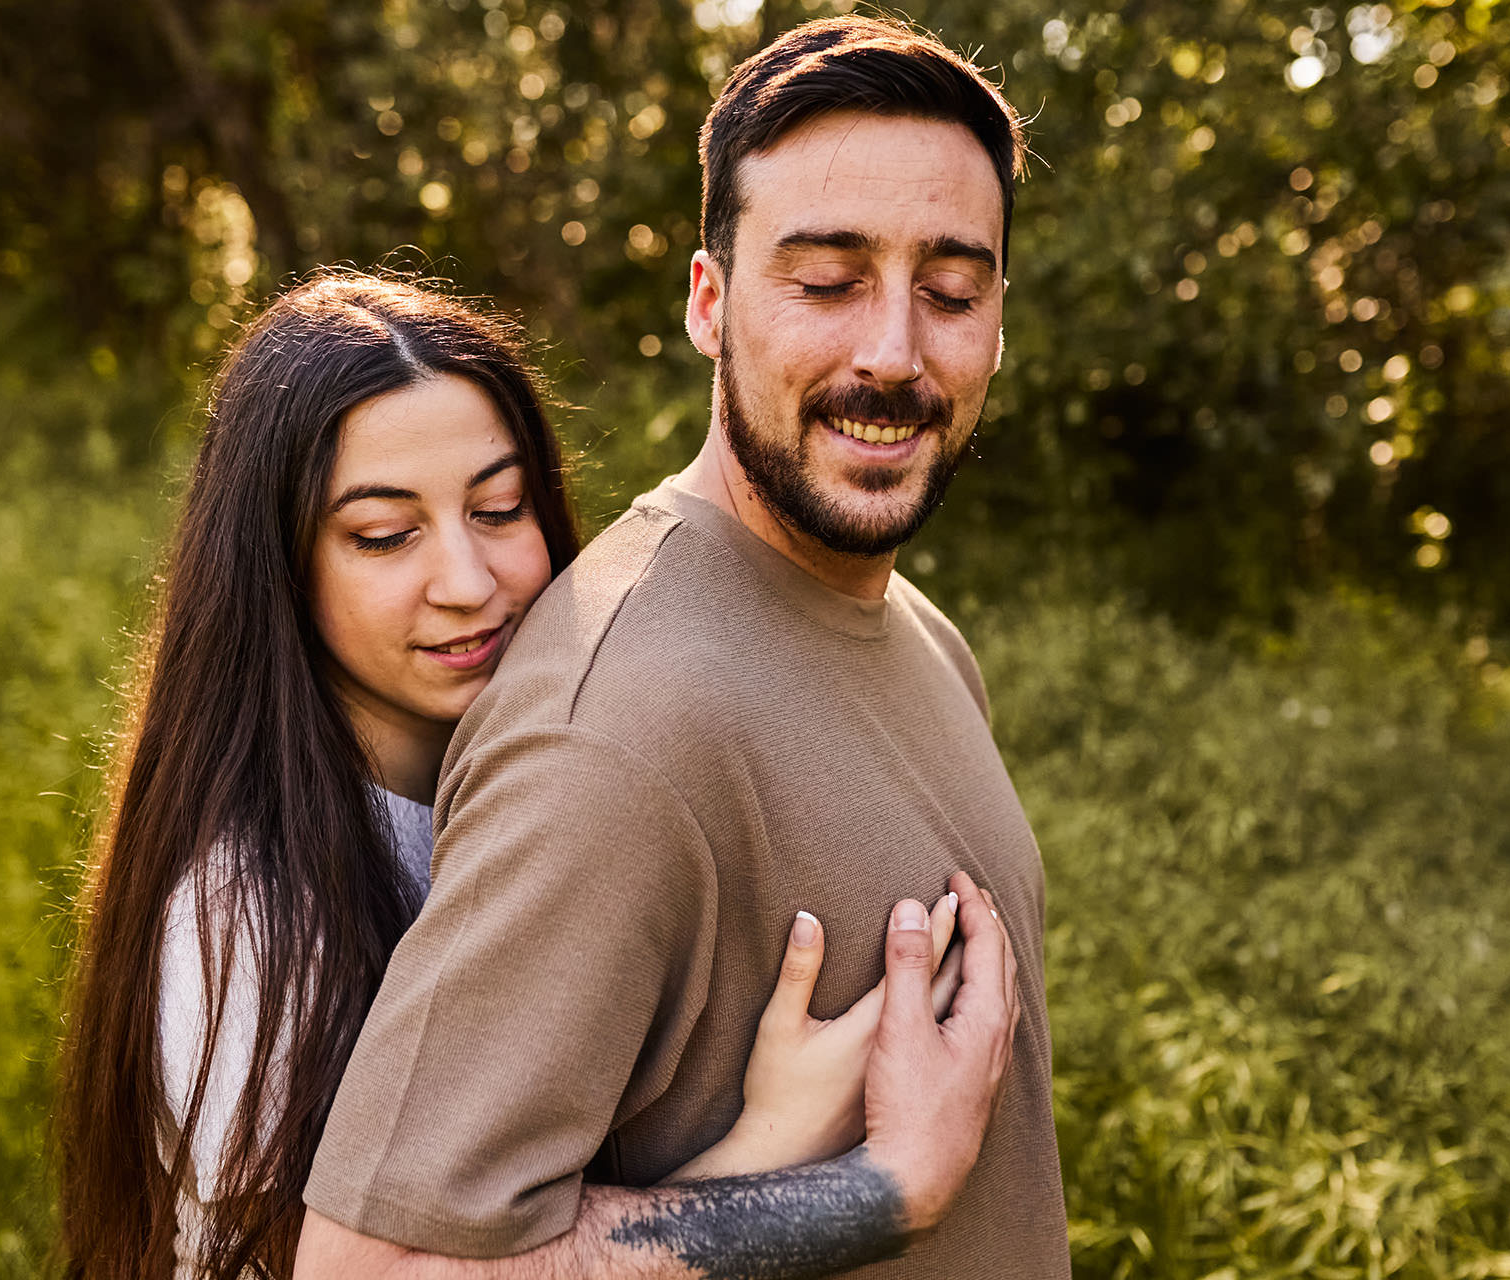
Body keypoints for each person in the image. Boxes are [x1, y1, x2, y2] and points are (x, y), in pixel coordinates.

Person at [295, 14, 1067, 1280]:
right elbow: (371, 1268)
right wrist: (877, 1191)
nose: (892, 350)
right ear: (709, 303)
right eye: (825, 280)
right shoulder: (613, 724)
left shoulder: (921, 631)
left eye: (950, 290)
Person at [54, 272, 988, 1280]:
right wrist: (772, 1150)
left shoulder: (567, 792)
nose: (467, 580)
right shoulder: (245, 915)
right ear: (278, 564)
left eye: (499, 509)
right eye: (384, 533)